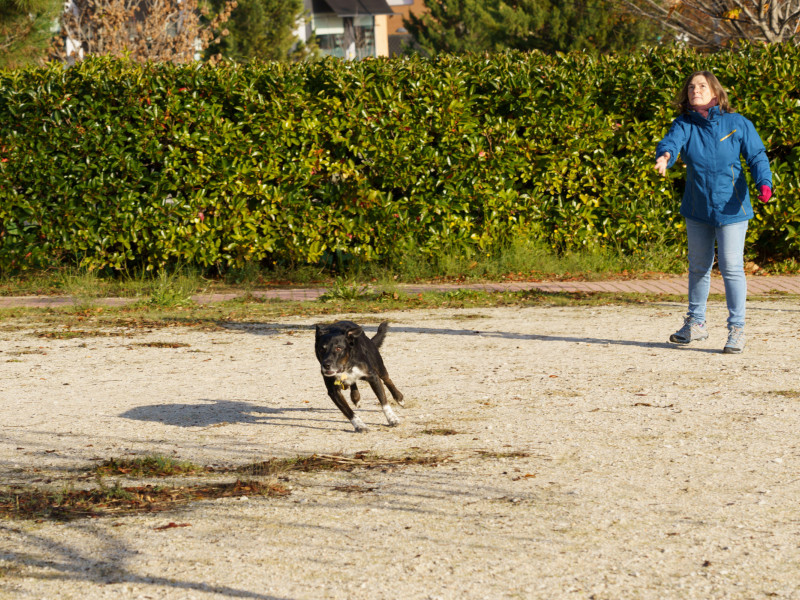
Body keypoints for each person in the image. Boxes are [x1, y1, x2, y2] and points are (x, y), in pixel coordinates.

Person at [654, 70, 772, 354]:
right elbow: (671, 143)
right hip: (697, 209)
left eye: (702, 86)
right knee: (698, 267)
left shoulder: (737, 123)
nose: (696, 90)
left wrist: (764, 183)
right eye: (691, 87)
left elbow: (756, 156)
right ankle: (696, 324)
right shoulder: (684, 124)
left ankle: (736, 329)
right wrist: (664, 156)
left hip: (732, 208)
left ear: (715, 92)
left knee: (731, 267)